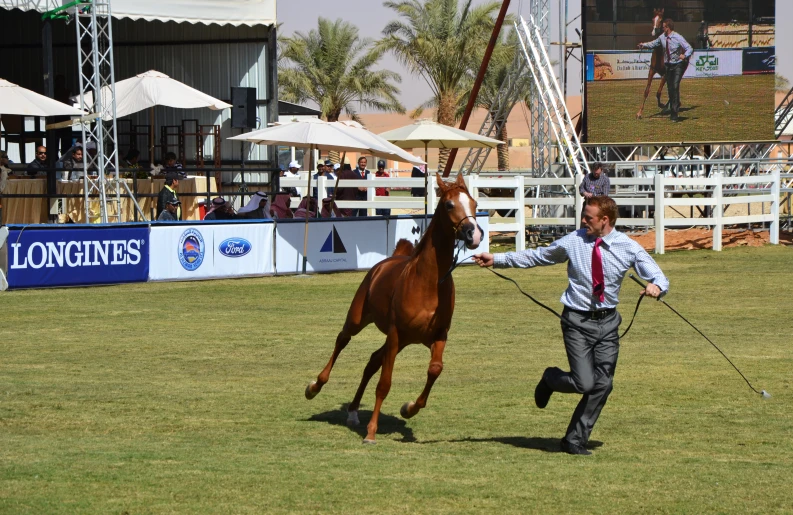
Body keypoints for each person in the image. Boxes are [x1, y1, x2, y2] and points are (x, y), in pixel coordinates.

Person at [473, 196, 669, 456]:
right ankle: (550, 378)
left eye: (588, 217)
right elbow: (538, 256)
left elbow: (657, 275)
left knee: (604, 384)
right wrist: (497, 259)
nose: (583, 221)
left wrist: (656, 286)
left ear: (605, 220)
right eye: (583, 216)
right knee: (584, 383)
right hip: (576, 321)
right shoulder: (573, 241)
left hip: (608, 323)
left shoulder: (628, 247)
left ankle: (574, 440)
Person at [638, 18, 693, 123]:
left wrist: (684, 55)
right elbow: (654, 43)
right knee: (670, 88)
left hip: (677, 65)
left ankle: (674, 114)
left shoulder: (677, 37)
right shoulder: (662, 37)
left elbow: (689, 48)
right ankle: (674, 107)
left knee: (675, 86)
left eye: (663, 27)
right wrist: (643, 45)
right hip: (668, 66)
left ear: (668, 27)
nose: (662, 28)